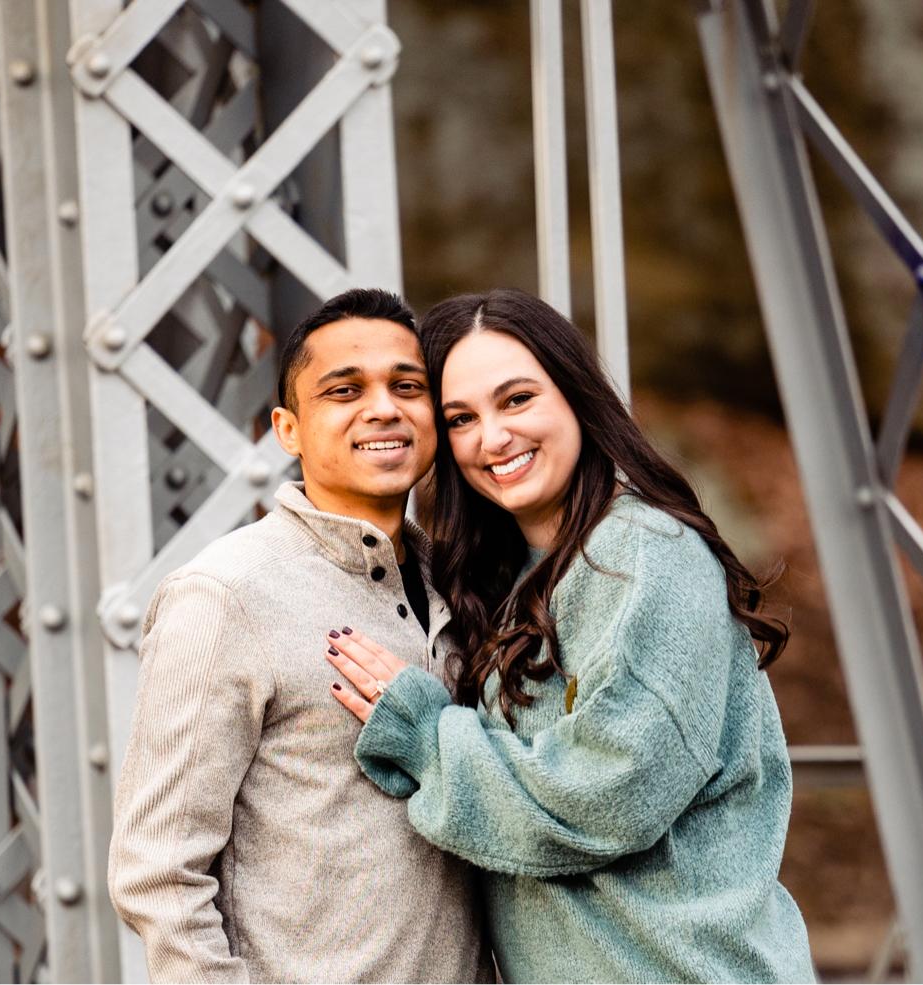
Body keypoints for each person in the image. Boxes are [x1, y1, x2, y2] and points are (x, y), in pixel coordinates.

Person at [324, 288, 815, 983]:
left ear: (575, 396)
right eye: (461, 418)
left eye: (517, 399)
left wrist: (428, 739)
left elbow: (611, 794)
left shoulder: (644, 553)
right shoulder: (505, 580)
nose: (494, 437)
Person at [108, 288, 489, 982]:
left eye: (407, 386)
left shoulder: (458, 582)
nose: (384, 408)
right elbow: (157, 872)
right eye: (345, 390)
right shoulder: (224, 594)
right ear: (287, 429)